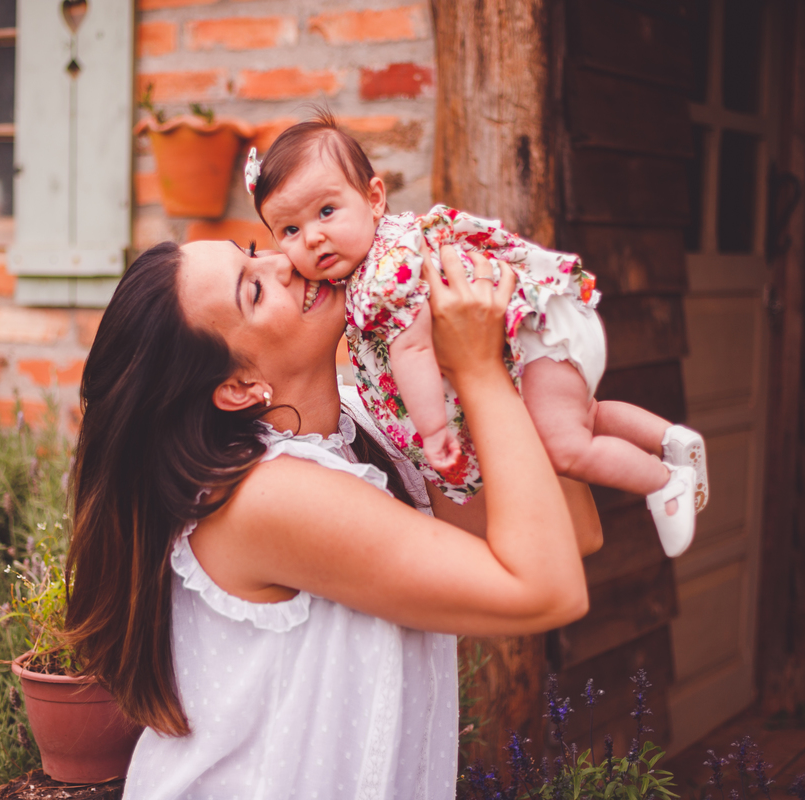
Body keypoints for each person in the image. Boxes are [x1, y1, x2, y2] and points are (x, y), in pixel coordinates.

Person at [63, 237, 602, 799]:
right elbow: (548, 590)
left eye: (255, 249)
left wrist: (504, 347)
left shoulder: (370, 425)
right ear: (239, 387)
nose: (284, 262)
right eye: (254, 289)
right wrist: (480, 370)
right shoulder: (265, 495)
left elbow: (571, 534)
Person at [245, 111, 709, 557]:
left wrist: (434, 433)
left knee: (565, 446)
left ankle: (664, 481)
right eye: (290, 229)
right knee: (588, 416)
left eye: (327, 211)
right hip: (542, 331)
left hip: (530, 343)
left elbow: (414, 348)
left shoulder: (383, 279)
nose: (311, 239)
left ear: (374, 198)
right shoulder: (394, 246)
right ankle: (671, 441)